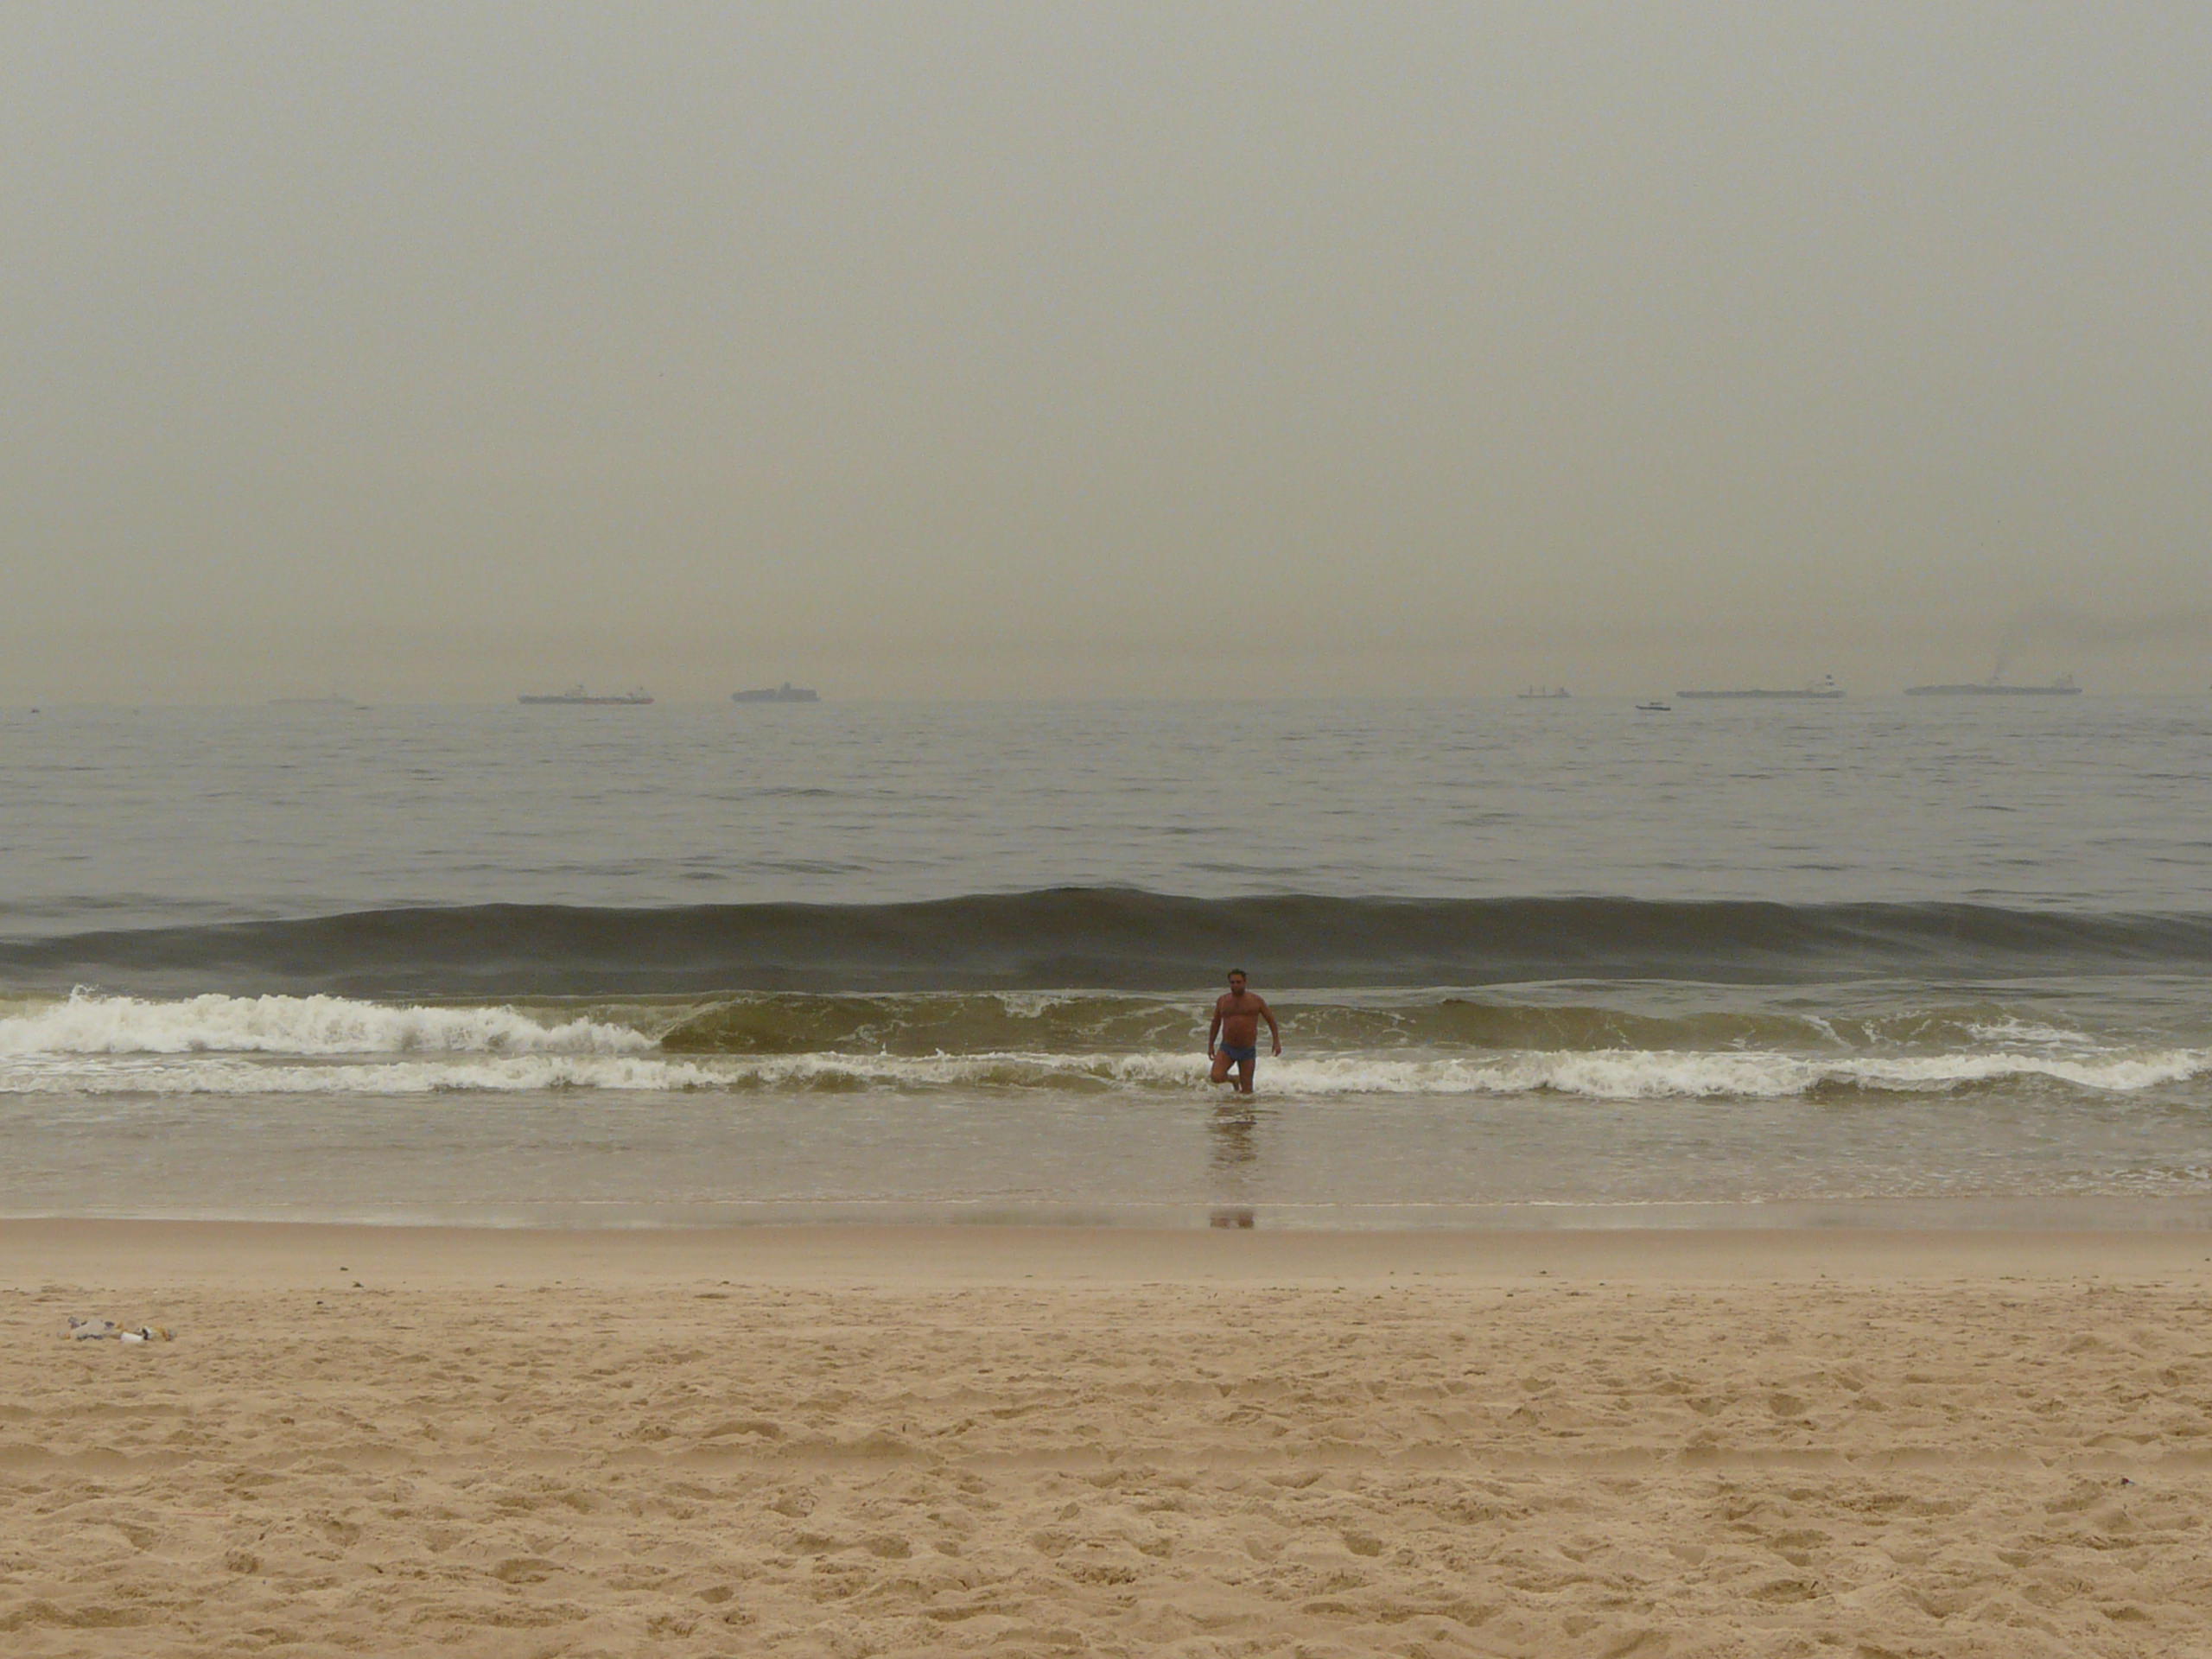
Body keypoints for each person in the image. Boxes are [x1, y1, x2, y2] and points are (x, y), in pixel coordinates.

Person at [1207, 969, 1281, 1095]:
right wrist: (1210, 1045)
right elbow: (1216, 1023)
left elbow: (1271, 1020)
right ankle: (1234, 1079)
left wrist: (1276, 1041)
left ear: (1245, 982)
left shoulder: (1256, 1000)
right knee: (1216, 1076)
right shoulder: (1223, 1001)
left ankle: (1244, 1113)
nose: (1235, 985)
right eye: (1232, 982)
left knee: (1247, 1092)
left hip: (1247, 1049)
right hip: (1227, 1048)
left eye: (1238, 982)